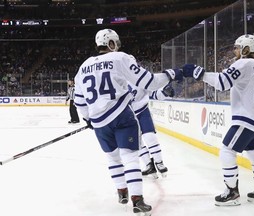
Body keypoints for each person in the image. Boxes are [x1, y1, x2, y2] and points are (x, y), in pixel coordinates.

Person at [73, 29, 192, 215]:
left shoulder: (83, 66)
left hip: (99, 122)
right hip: (122, 115)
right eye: (116, 43)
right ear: (111, 43)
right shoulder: (120, 58)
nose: (117, 46)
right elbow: (150, 82)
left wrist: (88, 119)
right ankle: (137, 199)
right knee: (130, 157)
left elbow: (79, 101)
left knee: (112, 158)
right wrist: (173, 73)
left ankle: (121, 192)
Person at [182, 34, 254, 206]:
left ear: (246, 49)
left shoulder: (243, 63)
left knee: (226, 151)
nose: (235, 50)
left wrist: (198, 73)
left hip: (246, 118)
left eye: (238, 47)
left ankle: (232, 193)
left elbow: (222, 83)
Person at [129, 83, 174, 178]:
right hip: (127, 115)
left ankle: (159, 162)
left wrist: (164, 92)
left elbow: (153, 93)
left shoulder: (137, 75)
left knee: (150, 136)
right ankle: (149, 164)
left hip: (142, 111)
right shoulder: (116, 76)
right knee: (137, 142)